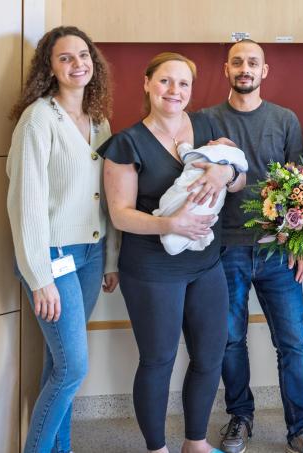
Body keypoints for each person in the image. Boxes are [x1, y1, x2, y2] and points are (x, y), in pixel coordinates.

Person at [100, 52, 246, 453]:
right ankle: (156, 448)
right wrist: (170, 224)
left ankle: (195, 442)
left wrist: (224, 172)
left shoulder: (207, 125)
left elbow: (240, 177)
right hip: (150, 268)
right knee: (158, 360)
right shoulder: (126, 143)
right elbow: (120, 215)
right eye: (165, 81)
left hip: (206, 263)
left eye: (183, 83)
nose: (174, 91)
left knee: (209, 357)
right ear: (147, 83)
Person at [202, 39, 303, 453]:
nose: (245, 68)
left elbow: (301, 187)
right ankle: (240, 417)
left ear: (264, 71)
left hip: (277, 249)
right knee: (229, 341)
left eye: (252, 63)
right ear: (226, 69)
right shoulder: (204, 121)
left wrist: (299, 244)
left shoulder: (285, 120)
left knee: (293, 343)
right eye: (238, 62)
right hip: (224, 250)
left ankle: (300, 428)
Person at [7, 25, 120, 453]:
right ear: (50, 68)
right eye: (65, 58)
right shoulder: (38, 118)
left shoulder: (100, 120)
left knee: (60, 365)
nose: (77, 64)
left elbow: (107, 197)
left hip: (90, 256)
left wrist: (110, 259)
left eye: (83, 55)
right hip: (50, 256)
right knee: (73, 368)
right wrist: (39, 277)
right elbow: (25, 204)